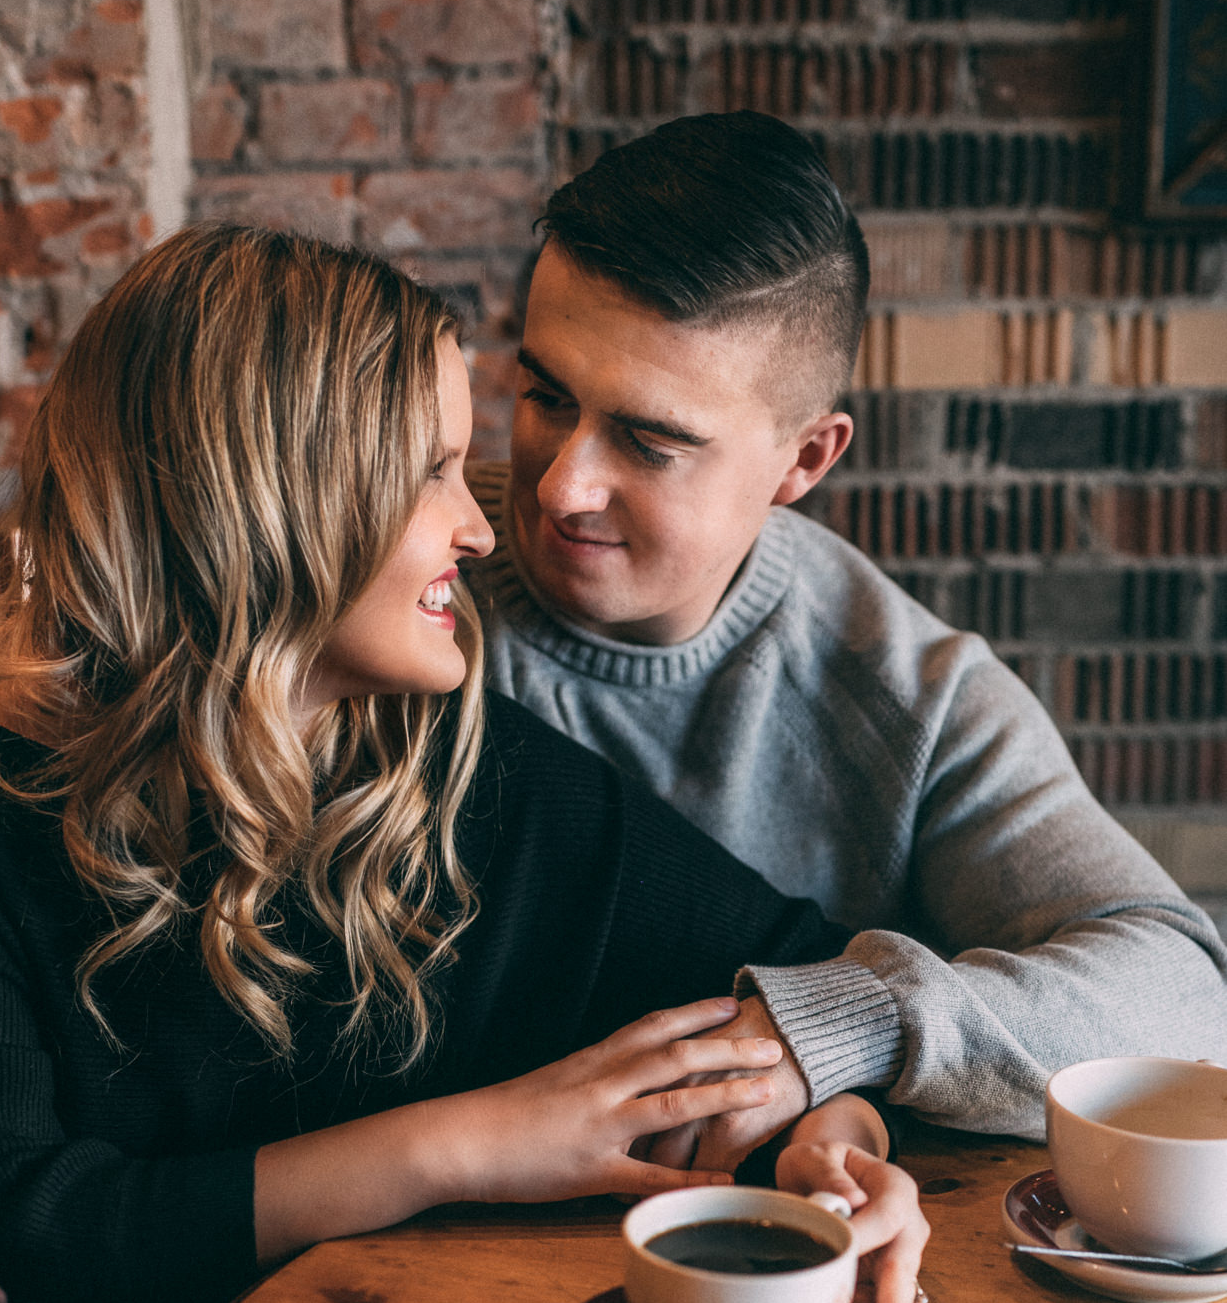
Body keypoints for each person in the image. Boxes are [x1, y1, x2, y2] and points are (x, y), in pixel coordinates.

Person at [0, 225, 924, 1303]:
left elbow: (787, 973)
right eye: (432, 471)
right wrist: (455, 1145)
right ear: (279, 500)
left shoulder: (450, 763)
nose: (482, 529)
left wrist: (829, 1117)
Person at [462, 110, 1227, 1170]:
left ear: (804, 461)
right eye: (545, 394)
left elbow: (1185, 999)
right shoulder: (389, 579)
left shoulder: (907, 690)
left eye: (649, 440)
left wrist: (850, 1023)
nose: (560, 484)